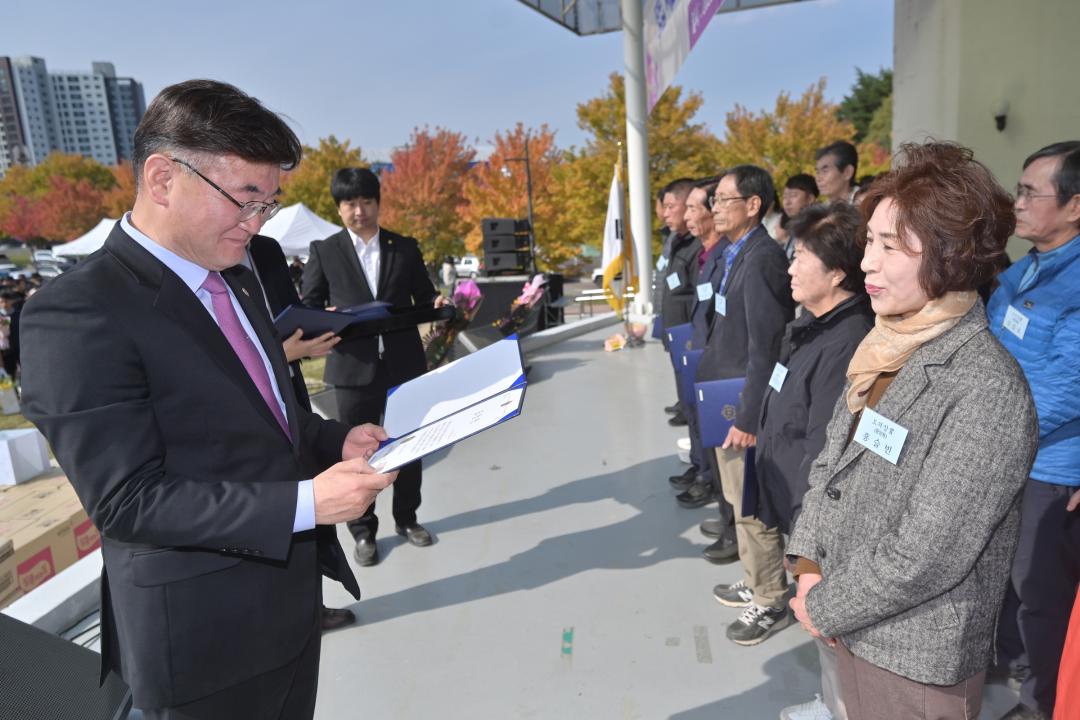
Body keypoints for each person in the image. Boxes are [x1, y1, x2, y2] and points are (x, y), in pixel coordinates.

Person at [18, 79, 397, 719]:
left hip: (289, 614)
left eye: (269, 204)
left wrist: (337, 441)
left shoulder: (240, 278)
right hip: (202, 646)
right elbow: (127, 500)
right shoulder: (76, 312)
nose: (257, 224)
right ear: (163, 178)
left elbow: (272, 417)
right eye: (245, 199)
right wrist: (309, 501)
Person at [787, 142, 1039, 720]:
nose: (867, 263)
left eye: (890, 246)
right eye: (868, 242)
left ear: (949, 256)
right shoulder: (885, 346)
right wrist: (807, 565)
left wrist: (823, 604)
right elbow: (832, 463)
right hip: (842, 613)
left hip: (911, 653)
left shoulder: (986, 387)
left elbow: (927, 556)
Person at [747, 203, 872, 716]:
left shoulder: (849, 341)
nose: (790, 267)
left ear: (838, 272)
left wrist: (807, 545)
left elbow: (828, 452)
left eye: (801, 258)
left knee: (831, 632)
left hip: (814, 521)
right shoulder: (810, 324)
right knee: (815, 625)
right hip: (794, 508)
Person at [302, 167, 442, 567]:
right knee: (356, 456)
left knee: (410, 447)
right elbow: (309, 306)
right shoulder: (324, 250)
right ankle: (363, 532)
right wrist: (323, 315)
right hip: (351, 371)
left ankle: (407, 519)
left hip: (404, 366)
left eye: (366, 201)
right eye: (350, 203)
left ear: (378, 203)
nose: (359, 210)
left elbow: (426, 298)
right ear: (338, 208)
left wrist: (440, 306)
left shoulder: (405, 247)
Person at [987, 141, 1080, 720]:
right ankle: (1022, 677)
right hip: (1007, 457)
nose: (1016, 203)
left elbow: (1065, 389)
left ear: (1074, 207)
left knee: (1039, 600)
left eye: (1029, 192)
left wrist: (986, 430)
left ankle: (1041, 703)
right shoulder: (1023, 271)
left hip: (1048, 470)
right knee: (1007, 588)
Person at [692, 165, 795, 644]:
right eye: (713, 200)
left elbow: (766, 347)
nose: (715, 207)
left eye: (723, 199)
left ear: (754, 205)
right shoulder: (737, 253)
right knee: (736, 499)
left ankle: (771, 596)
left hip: (741, 408)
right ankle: (756, 577)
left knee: (750, 503)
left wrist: (750, 417)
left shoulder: (762, 259)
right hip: (725, 398)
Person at [246, 234, 355, 633]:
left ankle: (313, 605)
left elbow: (290, 309)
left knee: (305, 493)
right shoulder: (192, 255)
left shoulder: (267, 250)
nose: (255, 217)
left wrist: (314, 325)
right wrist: (280, 354)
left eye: (267, 205)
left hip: (290, 395)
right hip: (248, 409)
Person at [658, 178, 700, 429]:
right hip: (674, 320)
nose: (665, 213)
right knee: (678, 369)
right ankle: (683, 405)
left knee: (689, 373)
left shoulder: (696, 245)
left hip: (687, 324)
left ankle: (688, 408)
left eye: (671, 206)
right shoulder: (677, 240)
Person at [779, 173, 821, 259]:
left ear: (810, 199)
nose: (787, 202)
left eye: (793, 195)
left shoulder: (818, 228)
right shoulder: (796, 226)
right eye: (785, 197)